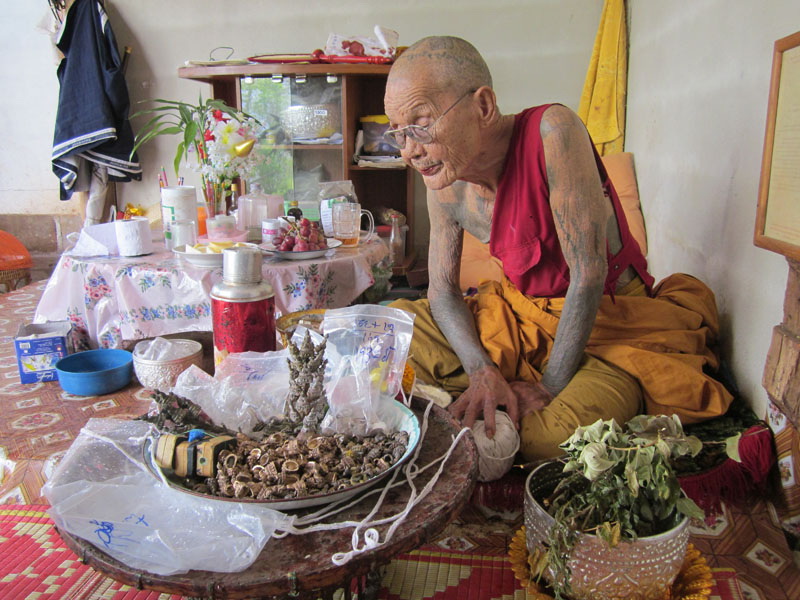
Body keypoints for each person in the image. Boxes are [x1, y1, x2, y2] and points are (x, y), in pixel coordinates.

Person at [383, 36, 732, 460]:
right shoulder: (442, 177)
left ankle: (482, 397)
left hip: (607, 327)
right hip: (521, 316)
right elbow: (441, 291)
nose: (410, 151)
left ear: (484, 106)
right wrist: (481, 369)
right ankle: (490, 384)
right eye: (399, 133)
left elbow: (588, 276)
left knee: (544, 439)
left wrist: (550, 386)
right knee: (387, 329)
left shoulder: (553, 130)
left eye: (421, 123)